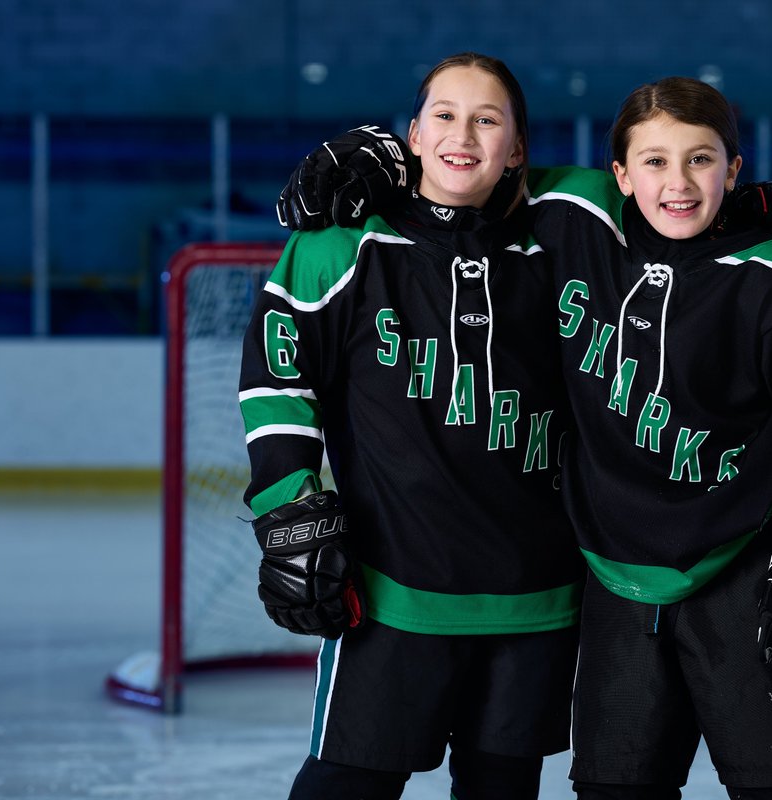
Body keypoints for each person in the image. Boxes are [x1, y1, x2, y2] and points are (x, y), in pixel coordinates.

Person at [280, 76, 772, 800]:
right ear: (620, 176)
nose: (678, 181)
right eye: (655, 162)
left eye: (701, 159)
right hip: (612, 583)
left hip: (742, 572)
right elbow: (471, 172)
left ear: (736, 167)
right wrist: (385, 160)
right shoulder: (576, 220)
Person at [239, 53, 585, 800]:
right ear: (412, 137)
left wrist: (747, 208)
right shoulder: (339, 242)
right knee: (346, 783)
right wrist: (286, 504)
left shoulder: (563, 239)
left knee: (502, 786)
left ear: (519, 149)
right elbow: (277, 380)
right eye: (445, 116)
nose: (465, 135)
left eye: (489, 120)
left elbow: (654, 190)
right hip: (393, 590)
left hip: (537, 597)